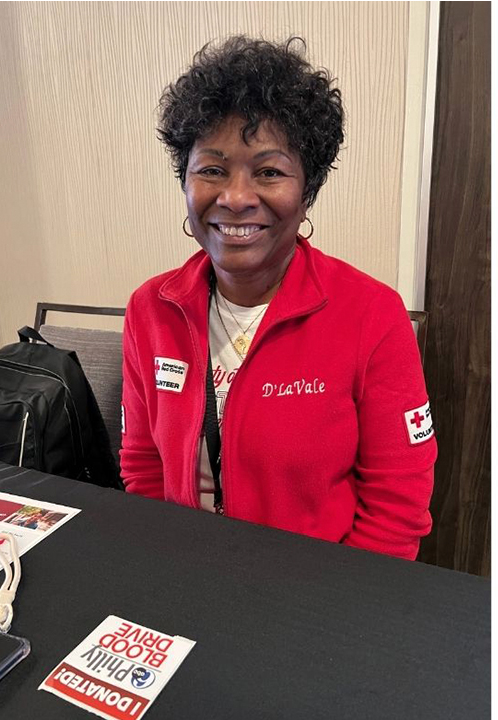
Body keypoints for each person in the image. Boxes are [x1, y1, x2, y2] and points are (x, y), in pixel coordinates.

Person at [120, 37, 435, 560]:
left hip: (317, 594)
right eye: (212, 169)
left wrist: (321, 608)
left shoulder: (372, 315)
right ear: (186, 180)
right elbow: (142, 464)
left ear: (306, 191)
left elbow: (396, 509)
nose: (237, 197)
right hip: (186, 572)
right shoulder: (151, 309)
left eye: (269, 171)